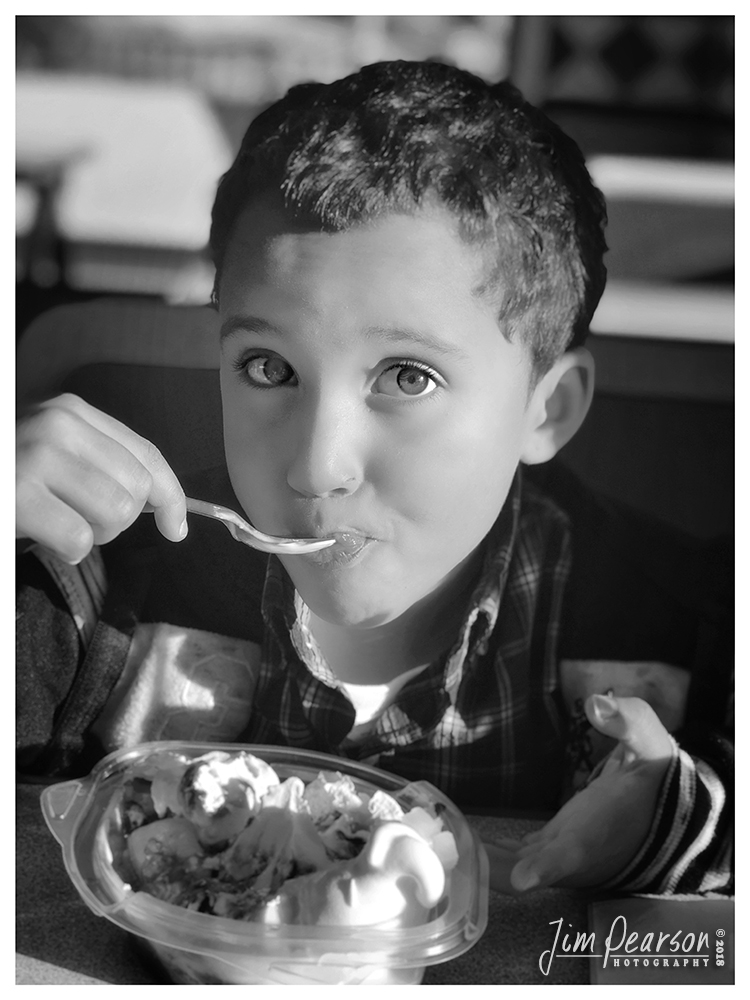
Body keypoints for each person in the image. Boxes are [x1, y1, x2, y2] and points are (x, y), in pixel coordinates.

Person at [16, 60, 732, 897]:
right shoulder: (86, 587)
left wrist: (686, 829)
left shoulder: (693, 627)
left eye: (407, 377)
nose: (317, 465)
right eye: (267, 367)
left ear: (546, 411)